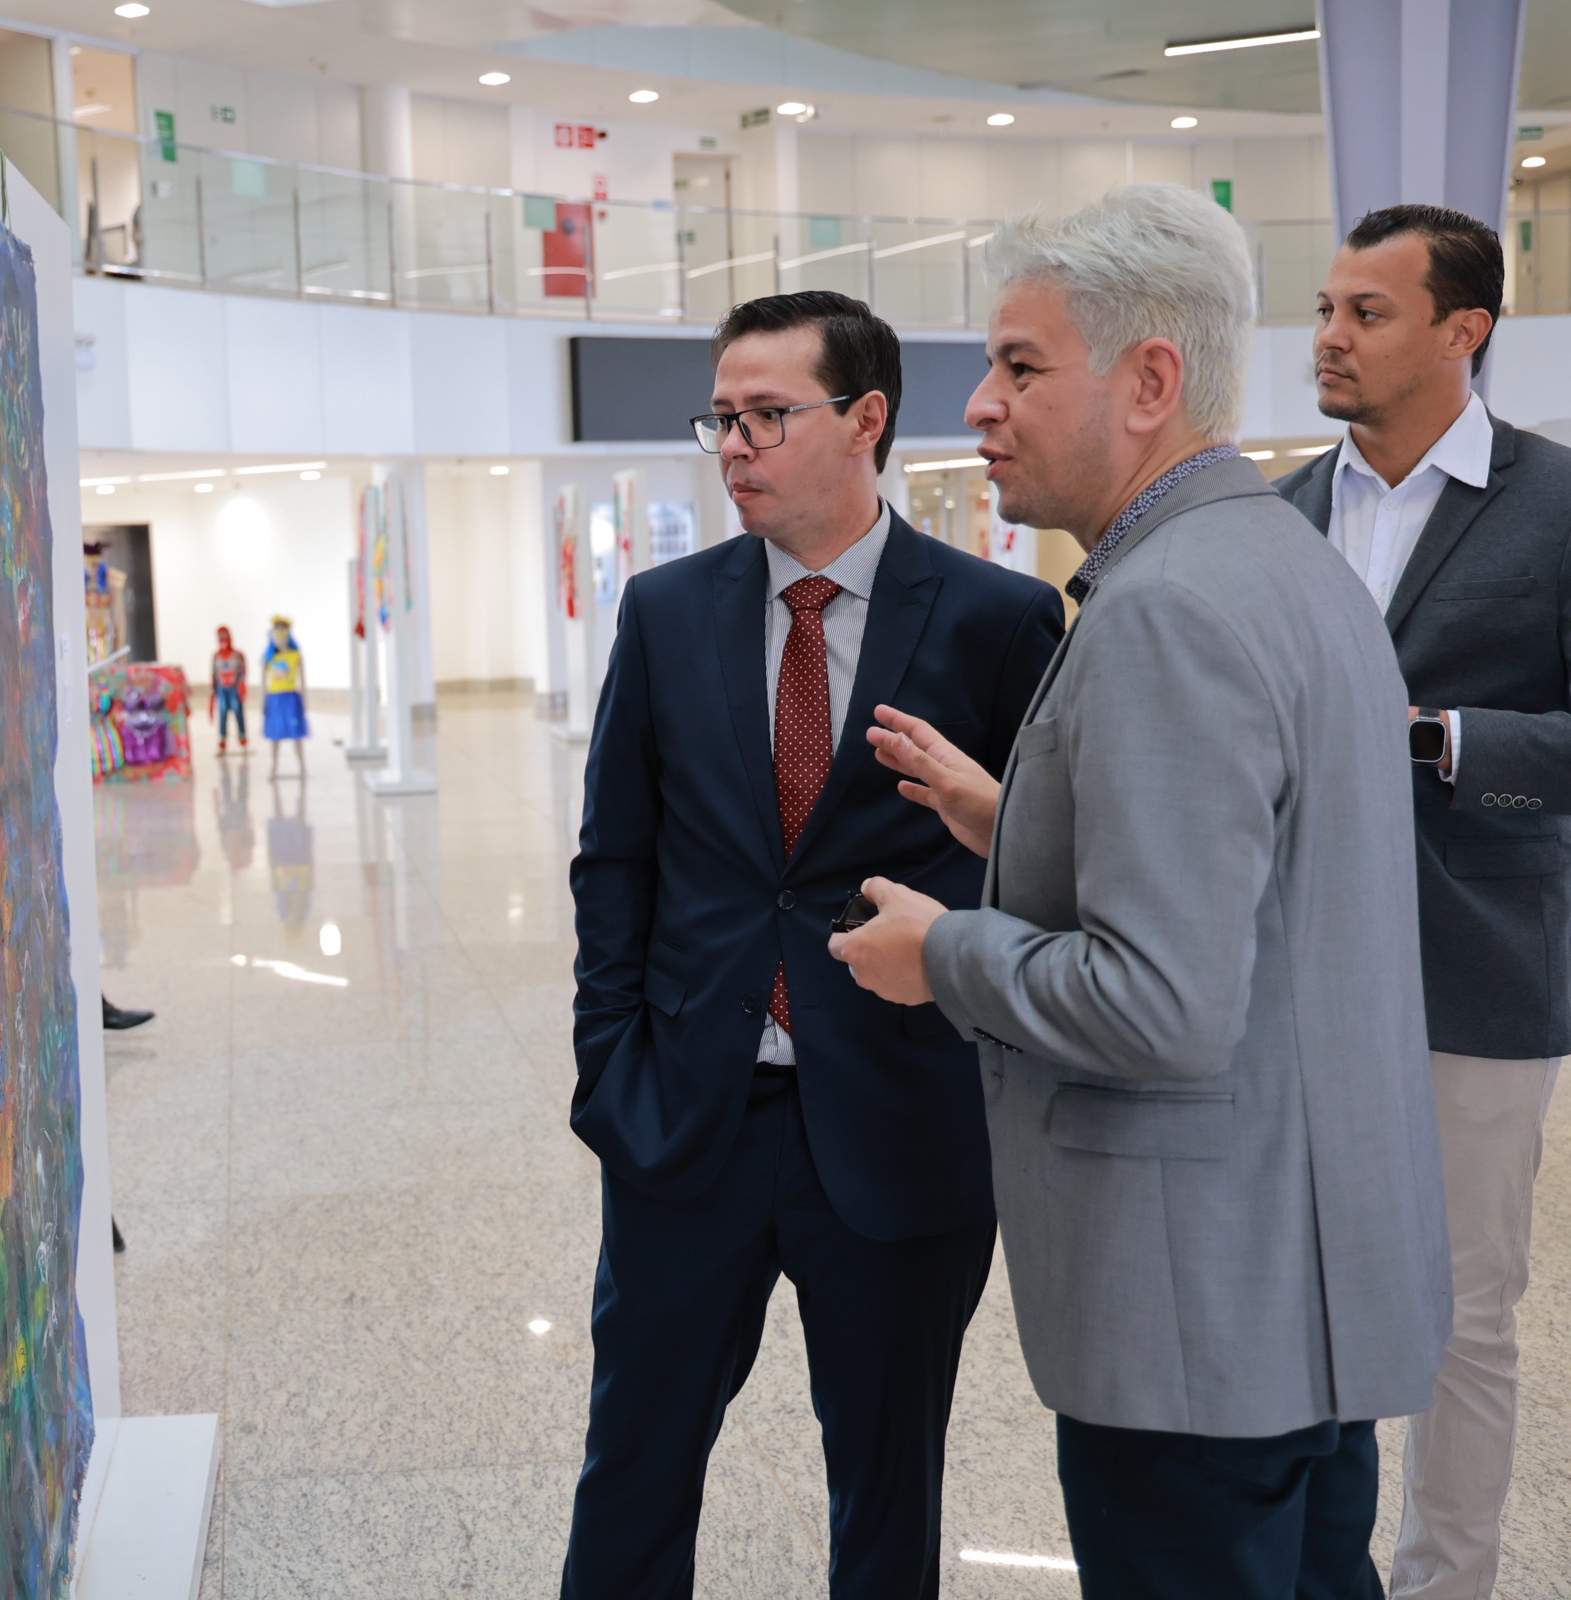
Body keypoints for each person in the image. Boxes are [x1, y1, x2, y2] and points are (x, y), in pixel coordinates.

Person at [831, 184, 1452, 1598]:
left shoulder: (1165, 606)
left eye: (1021, 365)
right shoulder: (1287, 563)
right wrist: (1014, 818)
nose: (980, 404)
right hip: (1300, 1293)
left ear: (1151, 382)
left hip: (1195, 1331)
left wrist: (946, 950)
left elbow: (1163, 1006)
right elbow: (1271, 893)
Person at [562, 291, 1064, 1599]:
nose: (735, 444)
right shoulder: (665, 612)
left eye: (769, 415)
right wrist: (612, 1068)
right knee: (635, 1463)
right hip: (689, 1122)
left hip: (902, 1122)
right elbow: (616, 858)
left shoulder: (998, 619)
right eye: (722, 417)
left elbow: (1044, 870)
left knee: (887, 1489)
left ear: (866, 419)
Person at [1274, 203, 1571, 1600]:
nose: (1330, 337)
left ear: (1466, 331)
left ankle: (1446, 1584)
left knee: (1463, 1314)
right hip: (1287, 971)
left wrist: (1437, 738)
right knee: (1295, 1288)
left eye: (1367, 313)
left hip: (1479, 965)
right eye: (1326, 309)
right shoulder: (1281, 513)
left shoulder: (1556, 503)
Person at [261, 616, 308, 777]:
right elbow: (264, 682)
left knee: (296, 734)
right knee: (275, 735)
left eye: (283, 636)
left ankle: (302, 766)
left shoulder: (296, 656)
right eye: (277, 636)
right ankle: (273, 767)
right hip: (275, 699)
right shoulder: (269, 657)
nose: (280, 641)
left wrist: (304, 699)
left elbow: (303, 680)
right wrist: (263, 701)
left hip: (291, 699)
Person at [210, 624, 249, 755]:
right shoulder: (216, 656)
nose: (222, 640)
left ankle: (243, 738)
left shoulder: (237, 655)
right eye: (220, 637)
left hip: (234, 689)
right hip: (222, 689)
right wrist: (213, 691)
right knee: (222, 715)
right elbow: (214, 674)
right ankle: (223, 740)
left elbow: (243, 672)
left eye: (224, 636)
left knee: (238, 713)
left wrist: (242, 687)